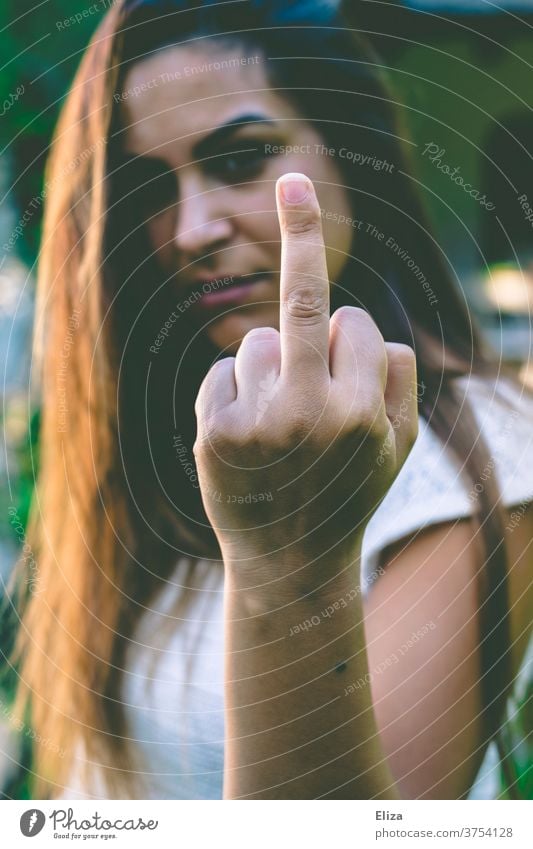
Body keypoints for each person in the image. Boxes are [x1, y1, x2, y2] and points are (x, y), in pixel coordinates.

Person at [6, 0, 533, 800]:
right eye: (153, 185)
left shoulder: (482, 452)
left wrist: (288, 554)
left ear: (349, 150)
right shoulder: (155, 448)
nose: (191, 228)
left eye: (239, 158)